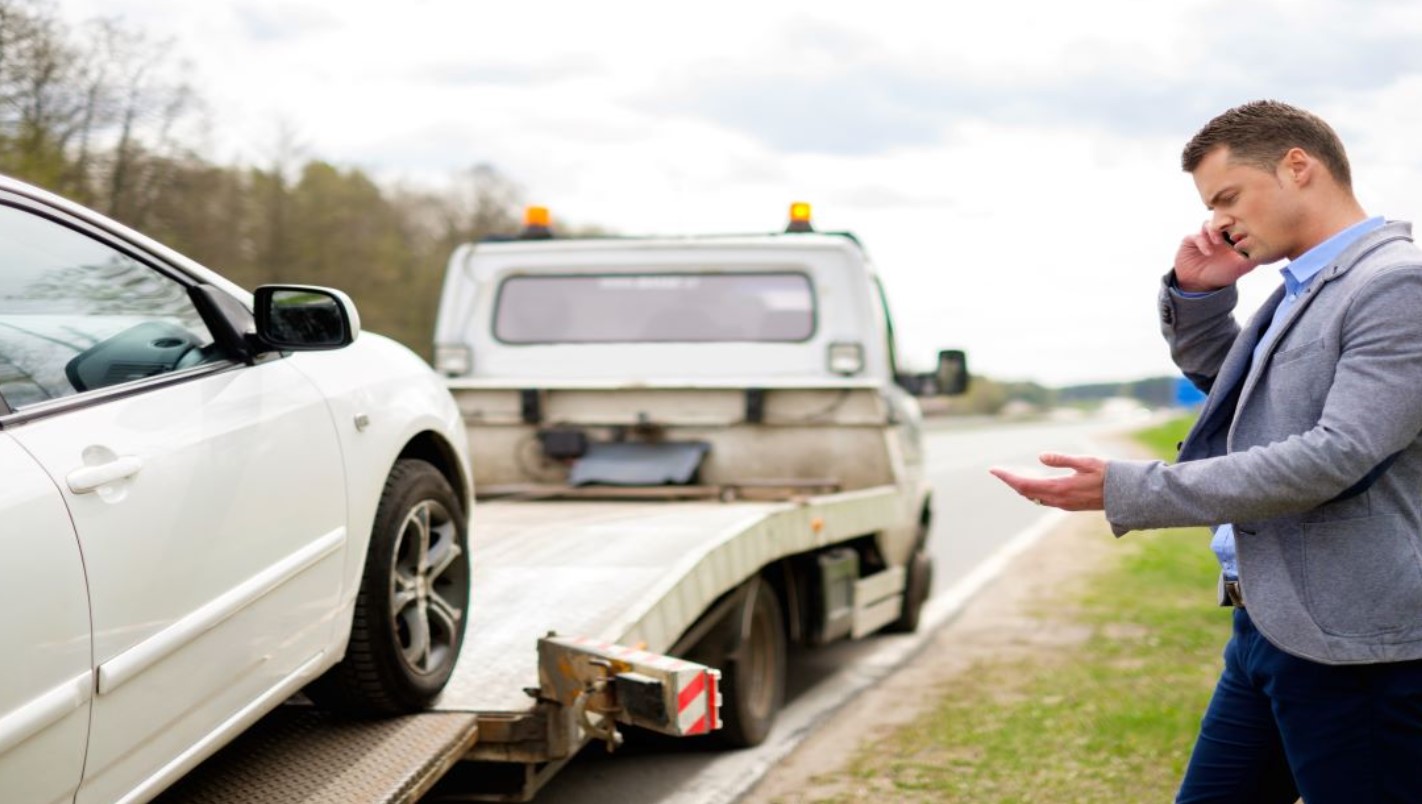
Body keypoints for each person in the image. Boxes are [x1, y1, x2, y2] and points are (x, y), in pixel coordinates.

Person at [990, 99, 1422, 802]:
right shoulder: (1299, 289)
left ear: (1297, 166)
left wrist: (1130, 489)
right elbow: (1247, 400)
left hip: (1353, 643)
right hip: (1266, 626)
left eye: (1227, 197)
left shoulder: (1395, 283)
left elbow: (1336, 456)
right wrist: (1199, 298)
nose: (1219, 221)